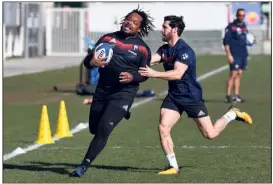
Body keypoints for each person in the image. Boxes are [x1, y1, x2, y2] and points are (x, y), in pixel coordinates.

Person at [138, 15, 253, 175]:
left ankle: (232, 114)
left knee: (210, 134)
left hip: (191, 97)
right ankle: (173, 166)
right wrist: (132, 55)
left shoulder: (185, 51)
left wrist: (153, 74)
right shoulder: (164, 49)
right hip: (174, 97)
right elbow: (150, 59)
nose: (162, 30)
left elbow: (178, 73)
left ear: (174, 30)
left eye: (165, 27)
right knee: (163, 127)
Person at [70, 7, 154, 177]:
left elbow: (144, 75)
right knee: (94, 129)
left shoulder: (143, 49)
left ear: (139, 28)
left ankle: (83, 165)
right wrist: (92, 62)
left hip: (124, 94)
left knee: (104, 128)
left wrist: (132, 77)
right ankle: (118, 113)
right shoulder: (107, 39)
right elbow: (88, 62)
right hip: (102, 90)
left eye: (135, 22)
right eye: (128, 19)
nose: (129, 22)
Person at [223, 8, 256, 103]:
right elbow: (226, 42)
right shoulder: (231, 27)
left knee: (239, 73)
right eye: (239, 15)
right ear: (236, 15)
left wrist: (252, 41)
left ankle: (236, 95)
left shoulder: (244, 26)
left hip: (243, 53)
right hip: (234, 54)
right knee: (233, 73)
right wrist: (229, 55)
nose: (241, 17)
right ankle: (228, 95)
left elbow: (247, 38)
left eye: (243, 15)